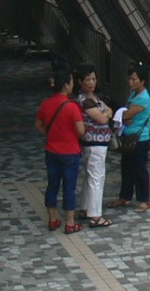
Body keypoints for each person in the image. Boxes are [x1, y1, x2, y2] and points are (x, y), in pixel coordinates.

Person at [35, 64, 82, 233]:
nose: (73, 85)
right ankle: (70, 222)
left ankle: (52, 219)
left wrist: (50, 133)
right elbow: (81, 130)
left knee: (52, 184)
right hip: (70, 151)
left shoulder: (46, 104)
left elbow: (38, 125)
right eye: (71, 82)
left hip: (52, 150)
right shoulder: (71, 106)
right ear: (66, 85)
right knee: (69, 186)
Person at [73, 67, 115, 228]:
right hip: (94, 142)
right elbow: (103, 118)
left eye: (93, 79)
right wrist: (105, 113)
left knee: (91, 176)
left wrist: (106, 113)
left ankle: (86, 207)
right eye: (88, 79)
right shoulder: (85, 100)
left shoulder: (93, 97)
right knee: (97, 177)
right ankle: (95, 214)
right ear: (80, 82)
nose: (92, 82)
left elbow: (107, 111)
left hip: (97, 142)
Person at [113, 65, 150, 212]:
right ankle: (125, 196)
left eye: (134, 79)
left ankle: (144, 199)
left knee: (140, 169)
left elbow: (126, 115)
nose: (130, 82)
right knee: (127, 168)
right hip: (129, 137)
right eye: (129, 79)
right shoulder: (133, 95)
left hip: (139, 139)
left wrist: (124, 117)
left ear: (142, 81)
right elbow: (126, 113)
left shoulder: (143, 98)